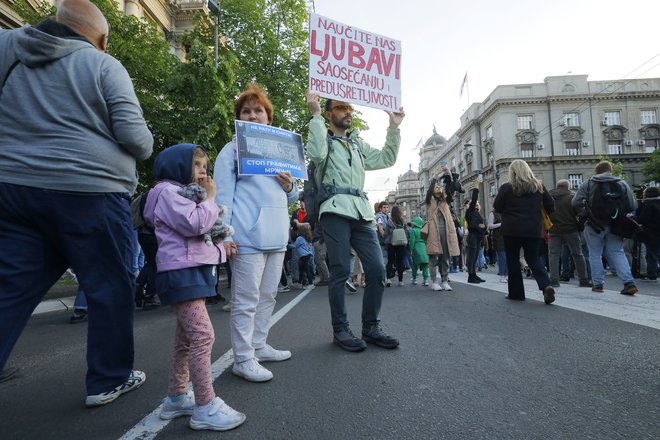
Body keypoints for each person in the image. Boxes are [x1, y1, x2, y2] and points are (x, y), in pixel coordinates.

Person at [0, 0, 152, 403]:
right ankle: (108, 378)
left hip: (14, 188)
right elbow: (139, 141)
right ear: (101, 38)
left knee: (9, 289)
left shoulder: (7, 46)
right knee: (110, 287)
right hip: (91, 192)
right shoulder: (104, 65)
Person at [143, 144, 245, 431]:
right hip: (181, 274)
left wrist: (223, 251)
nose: (203, 170)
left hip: (189, 271)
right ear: (176, 165)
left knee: (186, 340)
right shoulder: (166, 192)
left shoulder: (181, 196)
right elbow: (196, 226)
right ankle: (205, 405)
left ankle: (176, 397)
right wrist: (211, 199)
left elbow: (198, 244)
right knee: (203, 337)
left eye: (205, 165)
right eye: (197, 163)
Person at [306, 91, 405, 352]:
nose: (348, 112)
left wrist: (393, 128)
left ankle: (370, 327)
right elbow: (315, 155)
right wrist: (315, 115)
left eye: (349, 107)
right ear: (329, 114)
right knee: (340, 271)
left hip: (362, 213)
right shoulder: (323, 140)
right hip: (335, 209)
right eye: (340, 108)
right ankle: (340, 330)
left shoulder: (358, 145)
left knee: (377, 270)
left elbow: (387, 158)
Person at [214, 84, 297, 382]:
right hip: (247, 238)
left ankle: (259, 346)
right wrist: (225, 236)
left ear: (268, 118)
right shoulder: (231, 150)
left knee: (268, 297)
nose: (252, 115)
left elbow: (291, 197)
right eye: (246, 111)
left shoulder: (281, 152)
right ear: (239, 118)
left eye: (258, 110)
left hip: (276, 237)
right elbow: (222, 196)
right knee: (246, 300)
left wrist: (289, 187)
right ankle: (243, 358)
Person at [493, 159, 555, 304]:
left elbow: (497, 207)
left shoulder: (507, 188)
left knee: (513, 260)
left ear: (512, 172)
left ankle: (516, 294)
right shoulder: (539, 186)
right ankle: (546, 285)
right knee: (533, 259)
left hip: (511, 229)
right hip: (533, 229)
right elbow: (551, 207)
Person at [572, 161, 638, 295]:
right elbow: (632, 205)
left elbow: (575, 203)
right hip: (615, 225)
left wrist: (585, 211)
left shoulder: (588, 183)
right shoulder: (622, 183)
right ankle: (628, 282)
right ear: (610, 170)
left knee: (594, 254)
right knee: (617, 252)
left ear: (597, 171)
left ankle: (598, 284)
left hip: (594, 224)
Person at [548, 180, 591, 288]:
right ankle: (583, 280)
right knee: (577, 254)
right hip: (571, 229)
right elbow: (581, 213)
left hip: (553, 230)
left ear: (557, 187)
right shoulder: (571, 198)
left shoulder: (550, 198)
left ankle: (554, 280)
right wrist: (579, 227)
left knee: (554, 255)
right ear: (568, 187)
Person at [425, 170, 461, 291]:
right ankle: (434, 281)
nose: (438, 187)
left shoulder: (446, 200)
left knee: (446, 257)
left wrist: (450, 175)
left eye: (439, 186)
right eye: (436, 186)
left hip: (446, 232)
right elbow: (429, 191)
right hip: (434, 232)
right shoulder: (430, 201)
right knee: (433, 258)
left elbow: (452, 188)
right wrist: (434, 178)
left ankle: (445, 280)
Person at [635, 186, 660, 282]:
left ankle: (652, 275)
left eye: (644, 193)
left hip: (651, 233)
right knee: (651, 254)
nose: (643, 194)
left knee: (654, 253)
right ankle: (651, 275)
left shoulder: (648, 203)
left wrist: (632, 217)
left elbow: (643, 219)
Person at [465, 190, 487, 283]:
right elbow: (474, 199)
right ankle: (470, 276)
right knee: (472, 257)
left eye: (478, 203)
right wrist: (477, 186)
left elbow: (482, 226)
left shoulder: (477, 214)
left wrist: (484, 227)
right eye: (475, 203)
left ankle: (474, 275)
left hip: (478, 237)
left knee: (475, 257)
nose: (477, 204)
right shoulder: (470, 212)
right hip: (472, 236)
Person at [288, 223, 315, 287]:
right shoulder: (309, 237)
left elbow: (294, 246)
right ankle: (299, 283)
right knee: (302, 269)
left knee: (306, 269)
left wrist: (287, 245)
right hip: (308, 254)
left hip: (303, 256)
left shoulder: (300, 238)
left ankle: (311, 284)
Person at [388, 205, 408, 286]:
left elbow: (386, 233)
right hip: (402, 243)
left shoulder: (389, 221)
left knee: (390, 261)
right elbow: (407, 232)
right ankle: (401, 280)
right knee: (400, 261)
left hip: (391, 243)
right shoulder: (403, 221)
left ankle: (388, 279)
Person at [375, 201, 394, 287]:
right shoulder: (379, 216)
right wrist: (383, 235)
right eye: (384, 207)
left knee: (386, 260)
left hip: (387, 241)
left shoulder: (387, 217)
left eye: (387, 207)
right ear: (380, 208)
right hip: (382, 241)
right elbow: (380, 227)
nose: (386, 209)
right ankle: (384, 278)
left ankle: (385, 278)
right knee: (383, 260)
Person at [409, 217, 430, 286]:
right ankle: (426, 280)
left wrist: (411, 250)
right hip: (424, 247)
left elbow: (412, 241)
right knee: (425, 265)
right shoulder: (423, 230)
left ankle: (414, 279)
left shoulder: (413, 230)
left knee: (415, 265)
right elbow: (426, 240)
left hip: (416, 247)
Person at [488, 209, 507, 283]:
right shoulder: (493, 213)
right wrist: (500, 224)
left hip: (507, 237)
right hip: (498, 238)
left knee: (508, 258)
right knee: (502, 257)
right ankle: (502, 275)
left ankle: (507, 274)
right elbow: (489, 226)